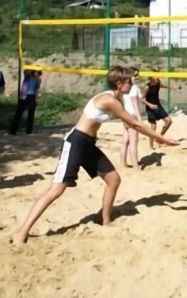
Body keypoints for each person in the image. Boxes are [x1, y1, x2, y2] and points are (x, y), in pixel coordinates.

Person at [12, 66, 178, 246]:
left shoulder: (116, 97)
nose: (132, 83)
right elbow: (135, 124)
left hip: (88, 144)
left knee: (113, 180)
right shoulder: (109, 100)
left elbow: (133, 122)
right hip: (76, 143)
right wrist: (162, 138)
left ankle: (104, 220)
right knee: (57, 189)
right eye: (129, 81)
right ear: (119, 83)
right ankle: (22, 231)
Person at [142, 71, 173, 149]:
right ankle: (151, 145)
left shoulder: (158, 83)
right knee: (153, 126)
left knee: (169, 121)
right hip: (150, 107)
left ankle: (159, 138)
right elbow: (141, 99)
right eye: (156, 76)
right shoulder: (147, 87)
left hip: (158, 106)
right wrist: (150, 105)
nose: (158, 77)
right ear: (152, 77)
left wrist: (170, 88)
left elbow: (161, 85)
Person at [120, 68, 143, 169]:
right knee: (134, 142)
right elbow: (135, 105)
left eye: (138, 75)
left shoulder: (124, 88)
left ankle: (123, 164)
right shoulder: (133, 88)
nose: (137, 77)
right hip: (132, 116)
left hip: (125, 115)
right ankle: (135, 166)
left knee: (125, 141)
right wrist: (140, 119)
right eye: (135, 75)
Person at [9, 70, 42, 135]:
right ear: (34, 72)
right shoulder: (27, 77)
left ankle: (29, 131)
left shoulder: (38, 80)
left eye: (39, 74)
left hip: (32, 96)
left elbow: (37, 89)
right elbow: (25, 71)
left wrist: (36, 98)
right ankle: (13, 130)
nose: (37, 75)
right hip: (24, 96)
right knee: (19, 113)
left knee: (31, 114)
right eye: (37, 73)